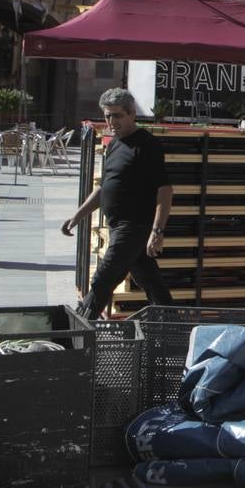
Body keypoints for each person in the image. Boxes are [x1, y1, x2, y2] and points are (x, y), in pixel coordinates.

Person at [63, 88, 173, 320]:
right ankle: (171, 325)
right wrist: (78, 216)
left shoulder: (146, 145)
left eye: (117, 115)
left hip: (134, 226)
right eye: (107, 116)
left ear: (132, 114)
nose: (112, 121)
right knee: (151, 282)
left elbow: (164, 190)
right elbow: (104, 188)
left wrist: (157, 230)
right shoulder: (114, 144)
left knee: (103, 279)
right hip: (118, 227)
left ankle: (82, 328)